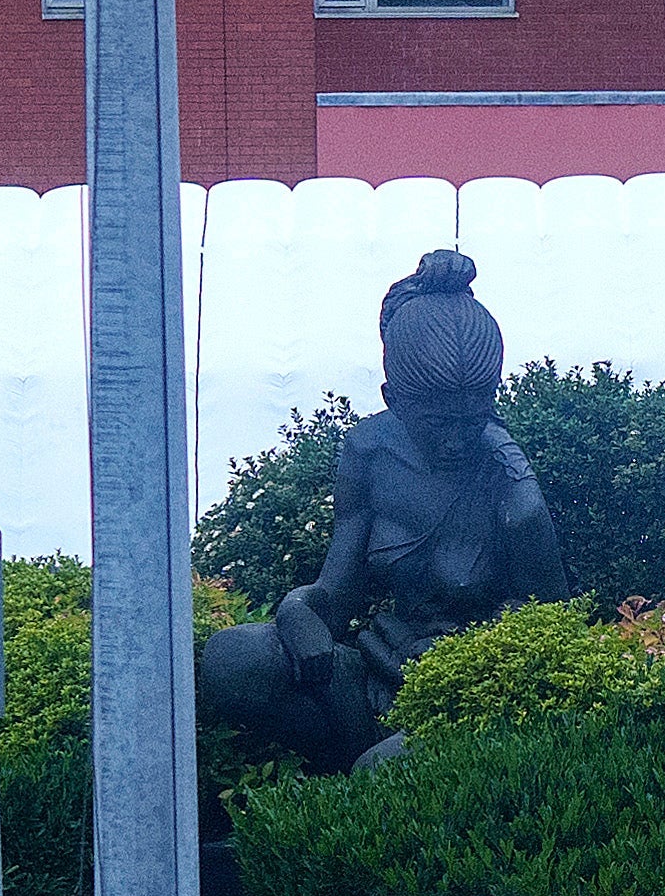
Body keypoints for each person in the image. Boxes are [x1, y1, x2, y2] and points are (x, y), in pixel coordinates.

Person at [196, 249, 567, 769]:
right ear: (392, 398)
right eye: (438, 424)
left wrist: (525, 505)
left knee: (380, 771)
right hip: (382, 670)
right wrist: (297, 613)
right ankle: (341, 774)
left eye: (473, 418)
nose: (459, 441)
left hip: (474, 696)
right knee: (235, 659)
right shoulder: (370, 452)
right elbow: (335, 594)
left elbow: (553, 637)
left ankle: (352, 797)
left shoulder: (506, 478)